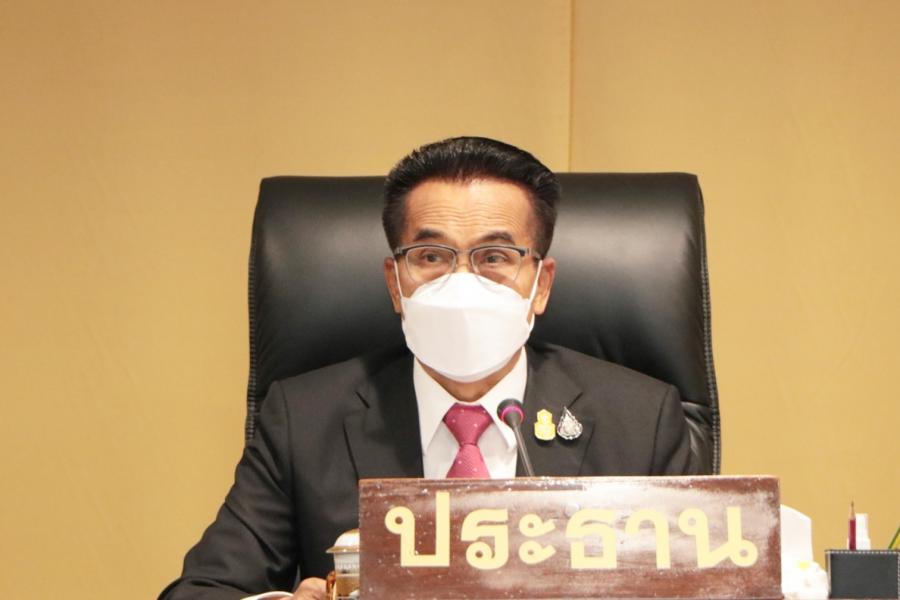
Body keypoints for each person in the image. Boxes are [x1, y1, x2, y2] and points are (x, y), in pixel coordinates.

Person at [159, 137, 695, 600]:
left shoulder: (640, 420)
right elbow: (202, 590)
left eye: (494, 257)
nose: (461, 282)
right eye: (432, 256)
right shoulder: (303, 419)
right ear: (395, 283)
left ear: (541, 285)